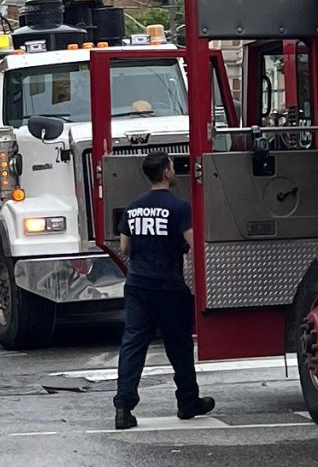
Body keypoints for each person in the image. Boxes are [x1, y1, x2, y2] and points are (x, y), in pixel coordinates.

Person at [113, 151, 214, 430]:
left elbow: (124, 247)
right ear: (167, 173)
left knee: (133, 344)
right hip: (168, 286)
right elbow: (193, 245)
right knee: (178, 345)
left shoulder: (133, 207)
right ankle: (187, 401)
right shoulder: (180, 208)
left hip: (137, 285)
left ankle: (123, 406)